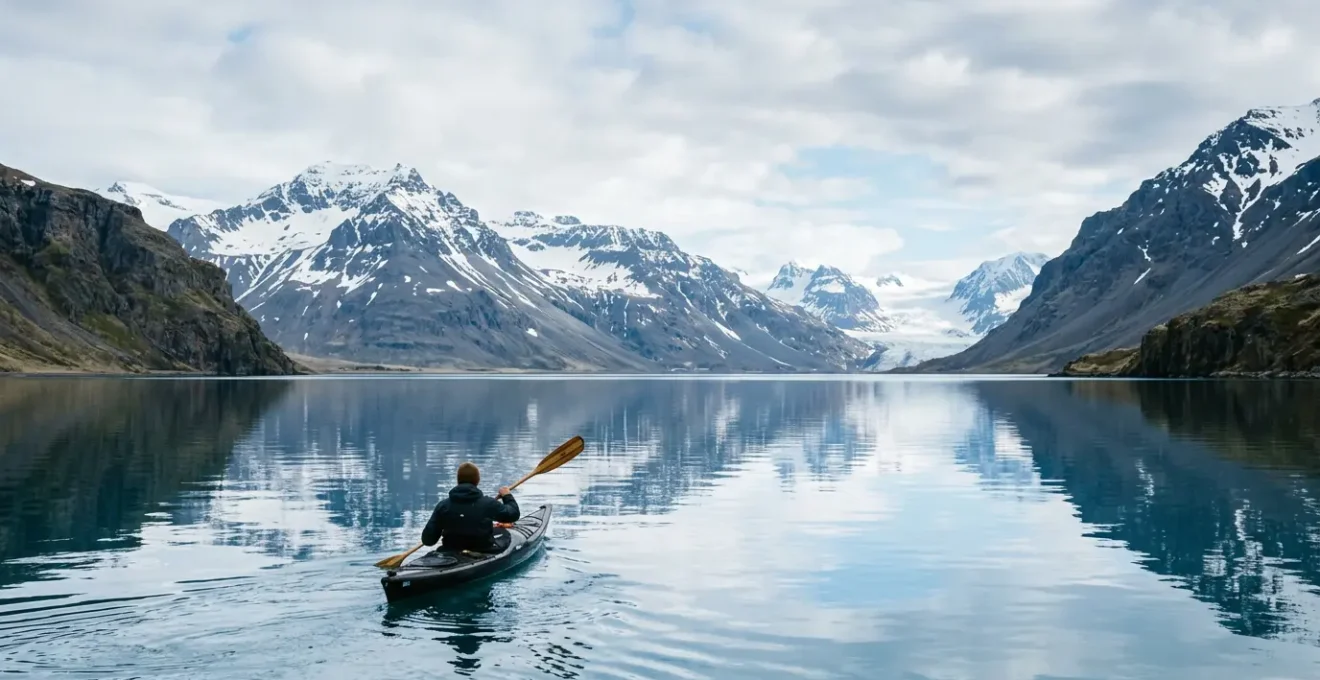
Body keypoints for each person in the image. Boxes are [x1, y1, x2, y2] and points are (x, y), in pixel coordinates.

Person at [421, 461, 520, 552]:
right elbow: (513, 514)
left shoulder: (443, 506)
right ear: (477, 480)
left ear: (458, 480)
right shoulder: (488, 504)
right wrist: (507, 495)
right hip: (483, 549)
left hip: (450, 549)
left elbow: (428, 540)